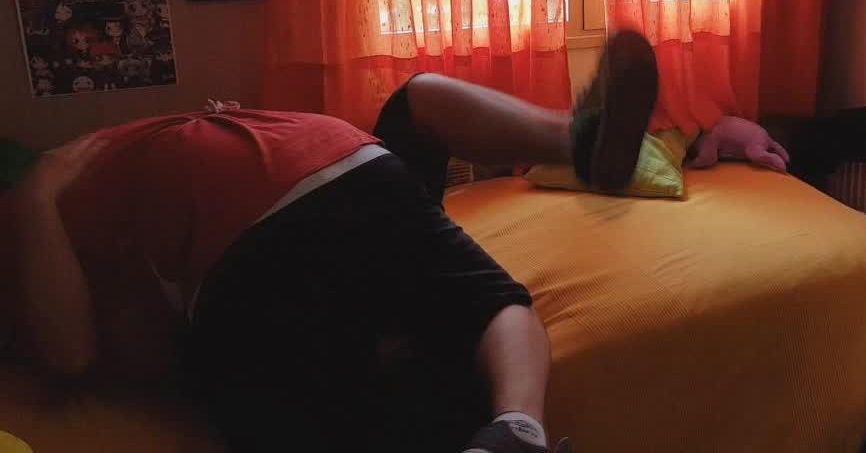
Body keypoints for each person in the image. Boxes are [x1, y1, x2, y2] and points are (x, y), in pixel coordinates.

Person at [6, 30, 659, 452]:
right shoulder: (71, 186)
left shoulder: (37, 203)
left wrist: (36, 198)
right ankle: (518, 424)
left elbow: (73, 353)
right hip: (346, 162)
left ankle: (477, 410)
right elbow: (84, 345)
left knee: (284, 378)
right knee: (483, 286)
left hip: (263, 229)